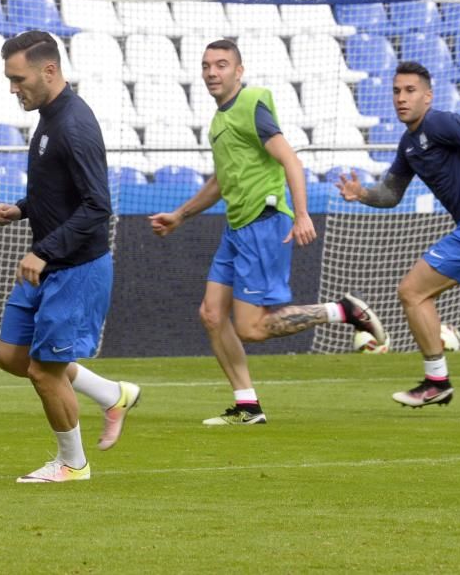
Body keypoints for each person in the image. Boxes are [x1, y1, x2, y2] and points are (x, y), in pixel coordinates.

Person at [149, 39, 386, 426]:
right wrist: (179, 215)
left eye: (222, 65)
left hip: (263, 222)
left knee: (251, 328)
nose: (212, 72)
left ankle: (341, 311)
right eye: (207, 65)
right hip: (237, 228)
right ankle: (247, 406)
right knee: (211, 314)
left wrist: (302, 214)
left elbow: (289, 158)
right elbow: (221, 181)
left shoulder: (252, 103)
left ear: (238, 71)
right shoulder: (219, 120)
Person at [337, 61, 460, 408]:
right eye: (396, 91)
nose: (402, 98)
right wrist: (363, 195)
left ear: (427, 97)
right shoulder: (409, 144)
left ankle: (436, 380)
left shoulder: (438, 122)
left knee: (412, 292)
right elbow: (391, 194)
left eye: (410, 91)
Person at [0, 30, 140, 484]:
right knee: (11, 356)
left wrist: (43, 250)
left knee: (43, 370)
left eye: (18, 79)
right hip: (50, 264)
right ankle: (111, 394)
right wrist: (23, 208)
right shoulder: (48, 117)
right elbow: (59, 192)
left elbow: (98, 206)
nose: (13, 89)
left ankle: (73, 464)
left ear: (49, 71)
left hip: (76, 269)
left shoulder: (74, 124)